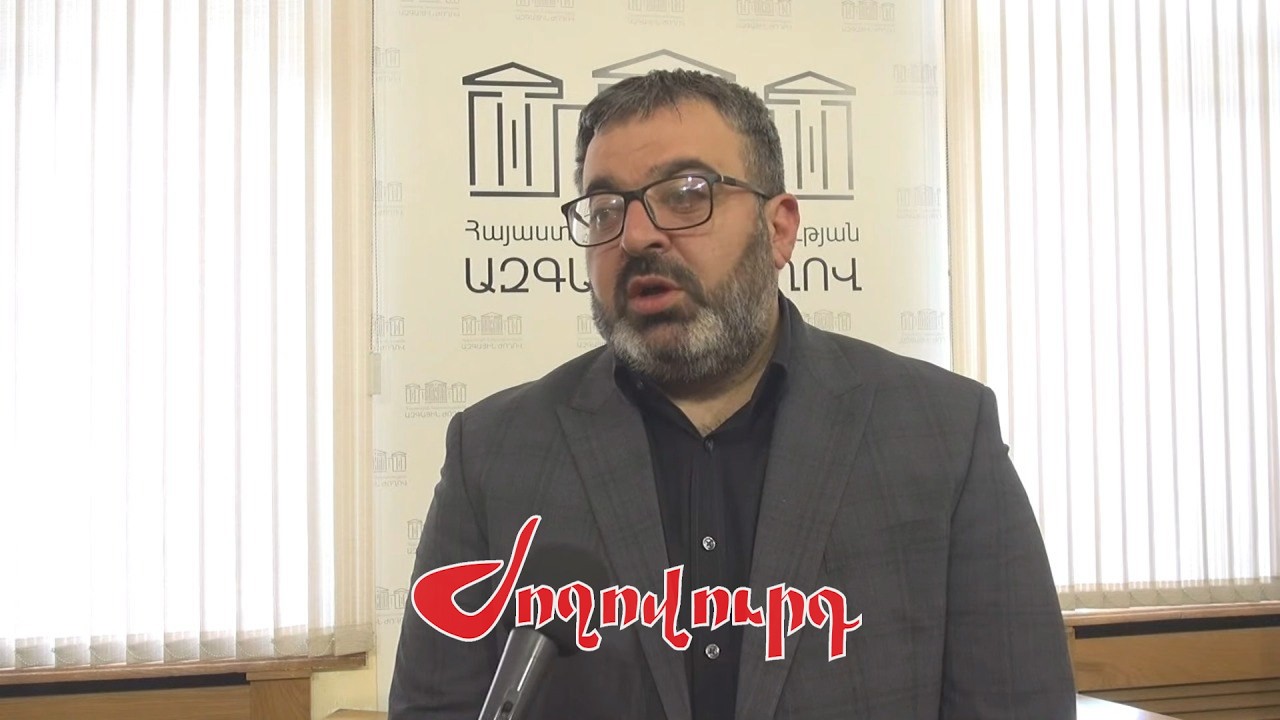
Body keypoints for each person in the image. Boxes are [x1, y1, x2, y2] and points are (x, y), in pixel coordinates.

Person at [388, 69, 1077, 719]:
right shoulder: (493, 454)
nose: (637, 235)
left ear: (778, 228)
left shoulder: (943, 434)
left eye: (686, 194)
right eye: (605, 209)